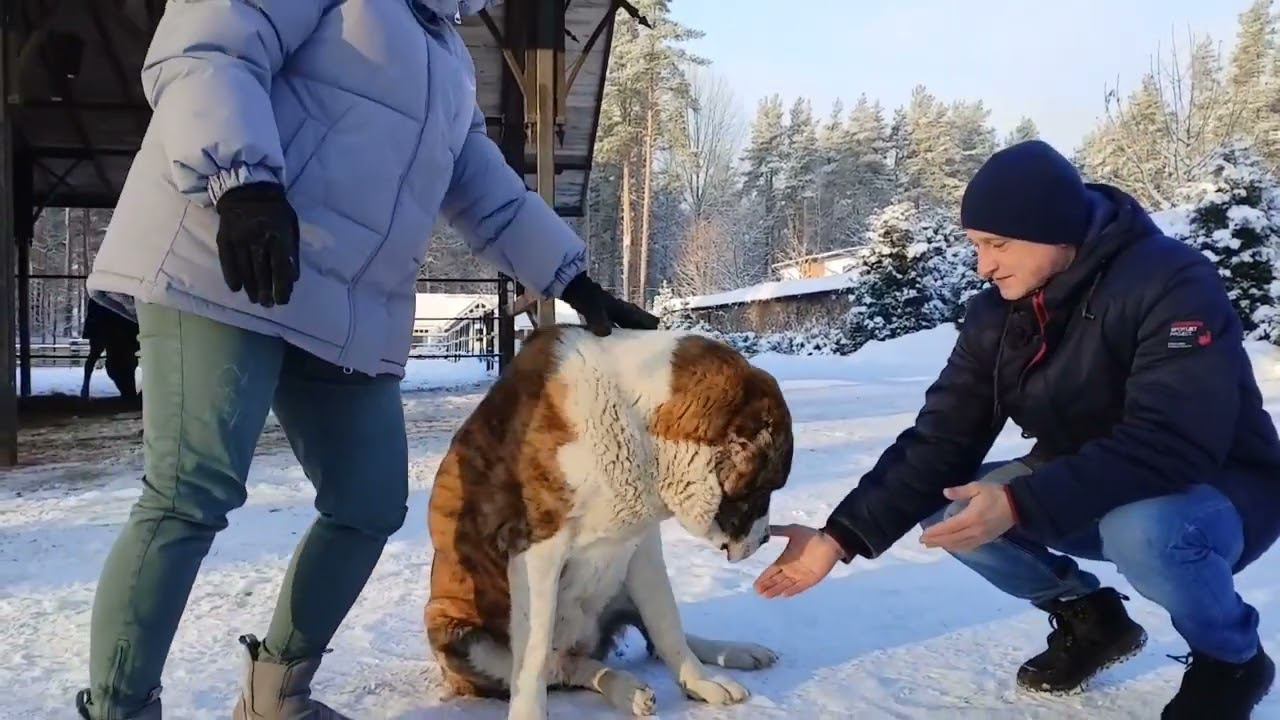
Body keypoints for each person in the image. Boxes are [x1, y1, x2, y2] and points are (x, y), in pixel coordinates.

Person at [74, 2, 656, 719]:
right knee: (190, 491)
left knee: (368, 502)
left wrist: (572, 278)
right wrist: (244, 182)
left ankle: (275, 695)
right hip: (221, 258)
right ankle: (119, 708)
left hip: (341, 301)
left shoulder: (449, 61)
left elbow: (484, 189)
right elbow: (208, 46)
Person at [753, 140, 1280, 719]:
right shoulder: (999, 314)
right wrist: (839, 538)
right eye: (977, 245)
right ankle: (1092, 619)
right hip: (1086, 479)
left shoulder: (1172, 282)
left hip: (1218, 491)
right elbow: (942, 439)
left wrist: (1022, 501)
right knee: (955, 508)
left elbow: (1174, 441)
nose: (984, 265)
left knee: (1142, 529)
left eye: (998, 244)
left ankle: (1231, 660)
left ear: (1057, 233)